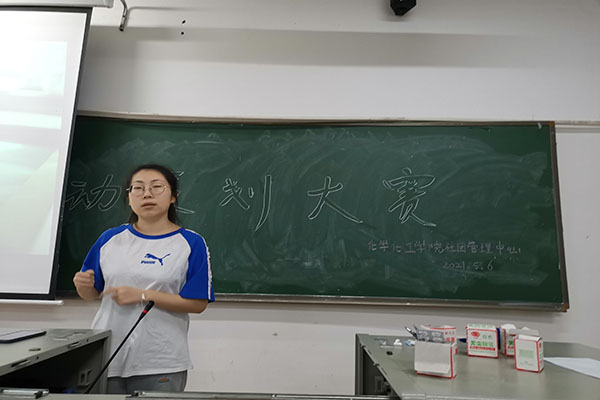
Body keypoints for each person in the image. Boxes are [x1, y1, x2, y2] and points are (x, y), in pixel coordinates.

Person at [73, 164, 214, 394]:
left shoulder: (190, 243)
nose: (147, 194)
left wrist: (143, 295)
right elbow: (91, 293)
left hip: (161, 360)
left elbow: (198, 303)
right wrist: (83, 286)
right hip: (107, 356)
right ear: (129, 198)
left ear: (173, 196)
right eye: (137, 188)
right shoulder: (110, 239)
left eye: (156, 187)